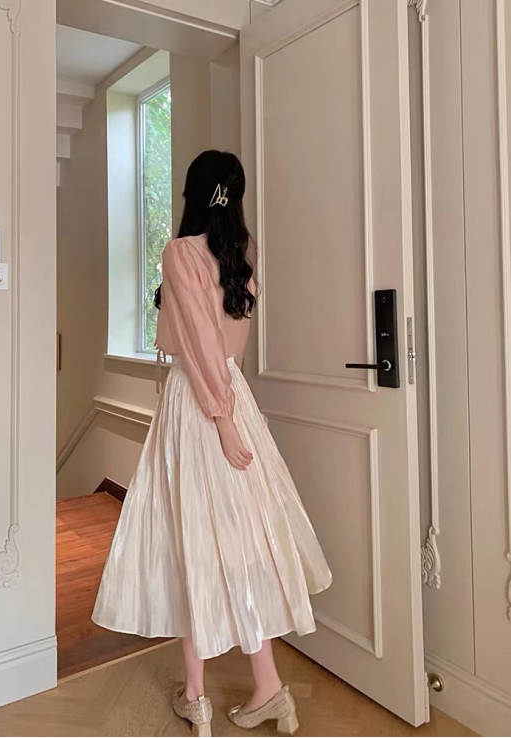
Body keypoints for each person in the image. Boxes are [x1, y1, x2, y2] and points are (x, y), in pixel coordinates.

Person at [93, 151, 332, 737]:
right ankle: (268, 687)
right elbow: (226, 344)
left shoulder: (180, 252)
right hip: (231, 394)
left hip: (200, 403)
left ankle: (198, 698)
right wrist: (231, 408)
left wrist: (220, 418)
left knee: (189, 541)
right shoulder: (240, 254)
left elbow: (199, 343)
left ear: (193, 194)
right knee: (240, 540)